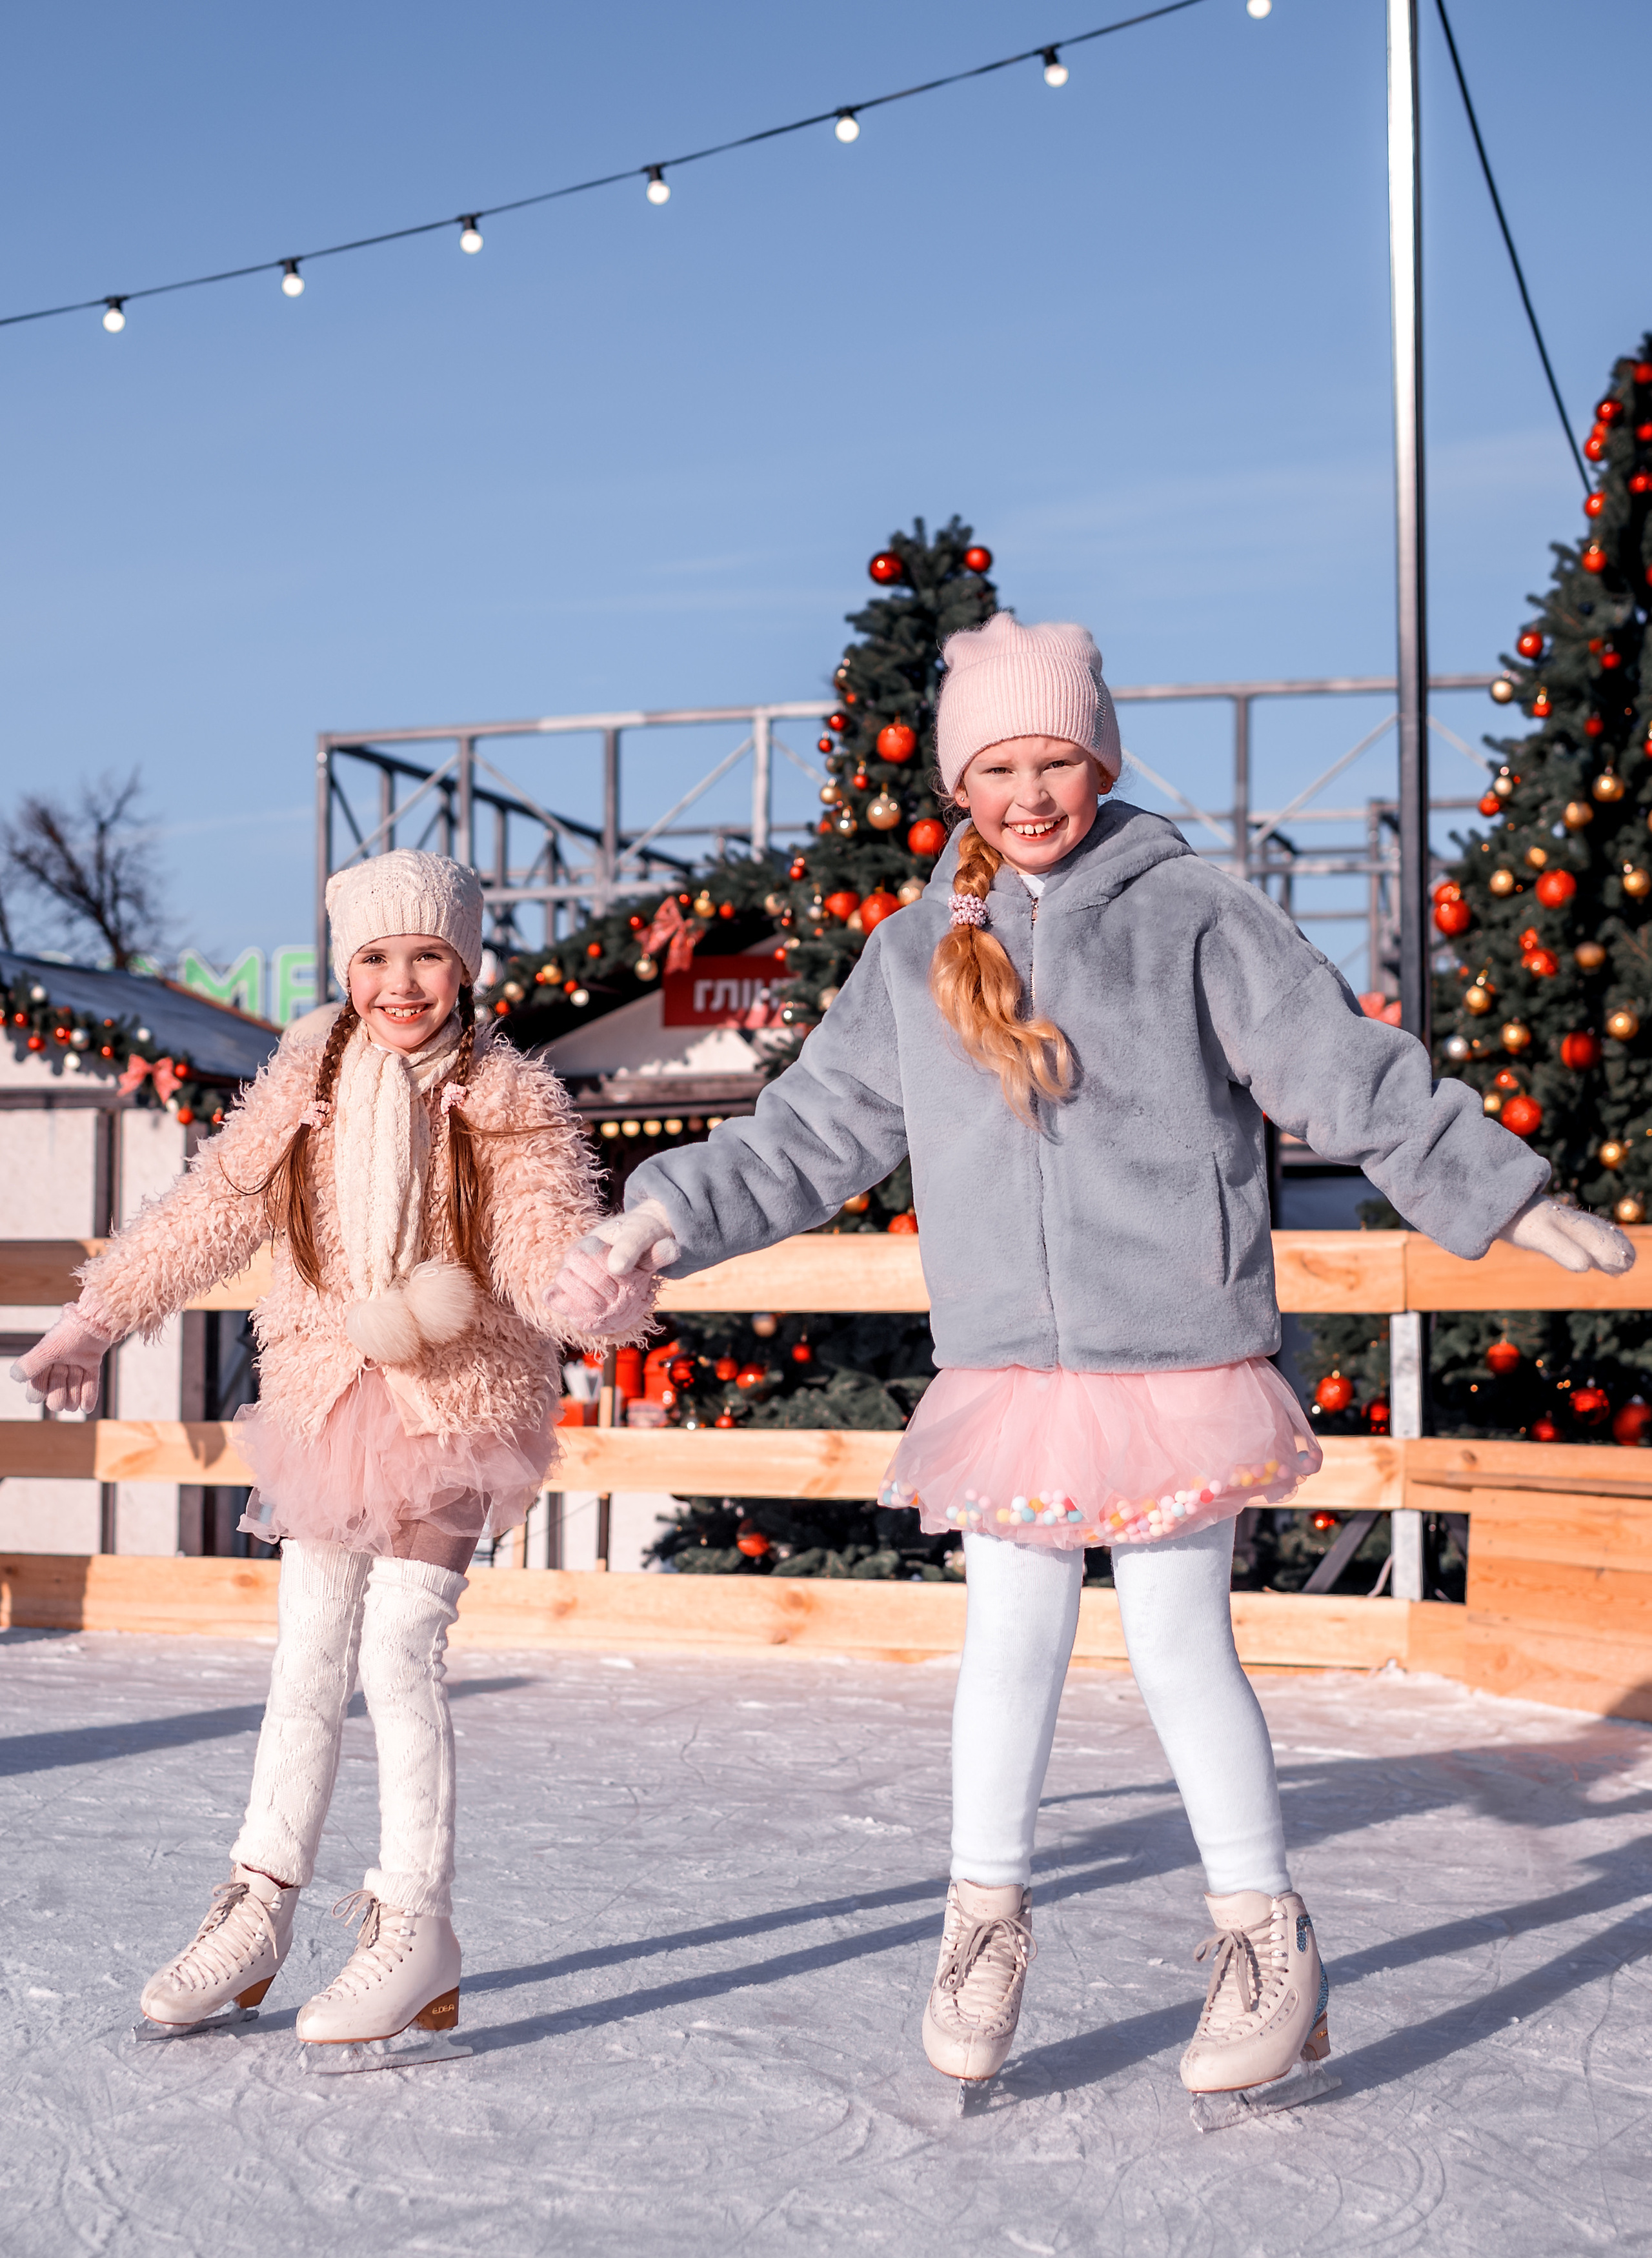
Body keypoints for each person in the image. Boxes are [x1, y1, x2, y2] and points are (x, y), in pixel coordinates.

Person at [547, 611, 1633, 2101]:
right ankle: (980, 1917)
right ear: (958, 782)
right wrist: (658, 1216)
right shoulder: (918, 948)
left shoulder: (1187, 908)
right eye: (996, 764)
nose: (1029, 792)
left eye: (1054, 757)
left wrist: (1503, 1190)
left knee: (1184, 1645)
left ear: (1098, 757)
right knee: (1012, 1642)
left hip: (1174, 1352)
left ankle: (1262, 1933)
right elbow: (810, 1132)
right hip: (1011, 1370)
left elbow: (1334, 1063)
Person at [15, 851, 628, 2052]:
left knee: (400, 1651)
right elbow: (211, 1213)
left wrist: (592, 1296)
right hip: (325, 1401)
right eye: (376, 958)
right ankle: (258, 1906)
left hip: (453, 1407)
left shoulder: (509, 1097)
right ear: (346, 967)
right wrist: (94, 1318)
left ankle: (415, 1922)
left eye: (428, 956)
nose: (402, 983)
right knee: (306, 1660)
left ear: (465, 964)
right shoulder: (306, 1081)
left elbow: (542, 1243)